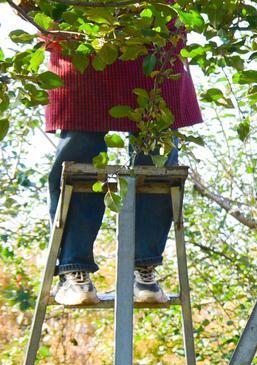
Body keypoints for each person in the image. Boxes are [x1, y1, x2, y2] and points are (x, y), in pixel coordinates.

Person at [42, 37, 202, 307]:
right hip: (85, 29)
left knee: (154, 159)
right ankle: (75, 269)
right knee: (82, 155)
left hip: (151, 35)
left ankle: (143, 271)